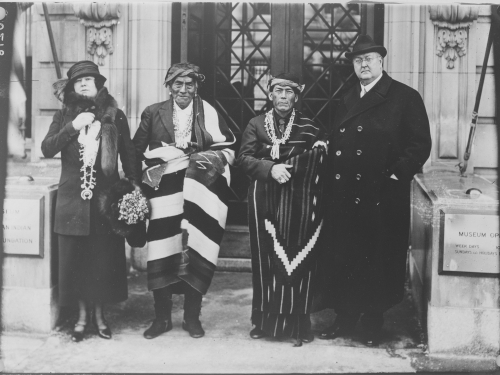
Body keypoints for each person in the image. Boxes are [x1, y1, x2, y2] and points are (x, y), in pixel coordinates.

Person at [319, 35, 432, 346]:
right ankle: (343, 317)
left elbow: (420, 144)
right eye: (358, 60)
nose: (363, 64)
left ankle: (371, 322)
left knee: (376, 259)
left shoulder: (404, 97)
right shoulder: (346, 96)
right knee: (345, 254)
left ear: (382, 61)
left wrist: (396, 175)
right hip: (345, 196)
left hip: (381, 196)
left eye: (369, 58)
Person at [133, 62, 237, 339]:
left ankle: (192, 318)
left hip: (198, 194)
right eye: (177, 84)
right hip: (163, 194)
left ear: (196, 87)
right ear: (168, 87)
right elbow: (136, 150)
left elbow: (226, 148)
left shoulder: (209, 112)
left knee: (196, 250)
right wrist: (158, 156)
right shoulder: (153, 112)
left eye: (188, 84)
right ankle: (161, 318)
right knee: (161, 251)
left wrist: (199, 160)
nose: (183, 89)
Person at [41, 60, 137, 342]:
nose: (83, 84)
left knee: (101, 261)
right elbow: (47, 149)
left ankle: (100, 316)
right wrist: (73, 125)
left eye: (89, 80)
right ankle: (82, 317)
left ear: (98, 86)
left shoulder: (114, 115)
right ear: (72, 88)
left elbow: (129, 153)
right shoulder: (63, 116)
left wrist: (134, 185)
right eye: (78, 81)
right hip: (72, 202)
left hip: (104, 204)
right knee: (77, 263)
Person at [237, 73, 327, 346]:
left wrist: (295, 167)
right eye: (279, 91)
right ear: (271, 95)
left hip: (299, 205)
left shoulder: (310, 127)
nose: (284, 96)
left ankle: (299, 323)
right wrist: (270, 168)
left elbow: (320, 157)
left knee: (299, 261)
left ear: (296, 96)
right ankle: (263, 321)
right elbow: (243, 158)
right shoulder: (255, 124)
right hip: (264, 202)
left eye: (289, 92)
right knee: (266, 264)